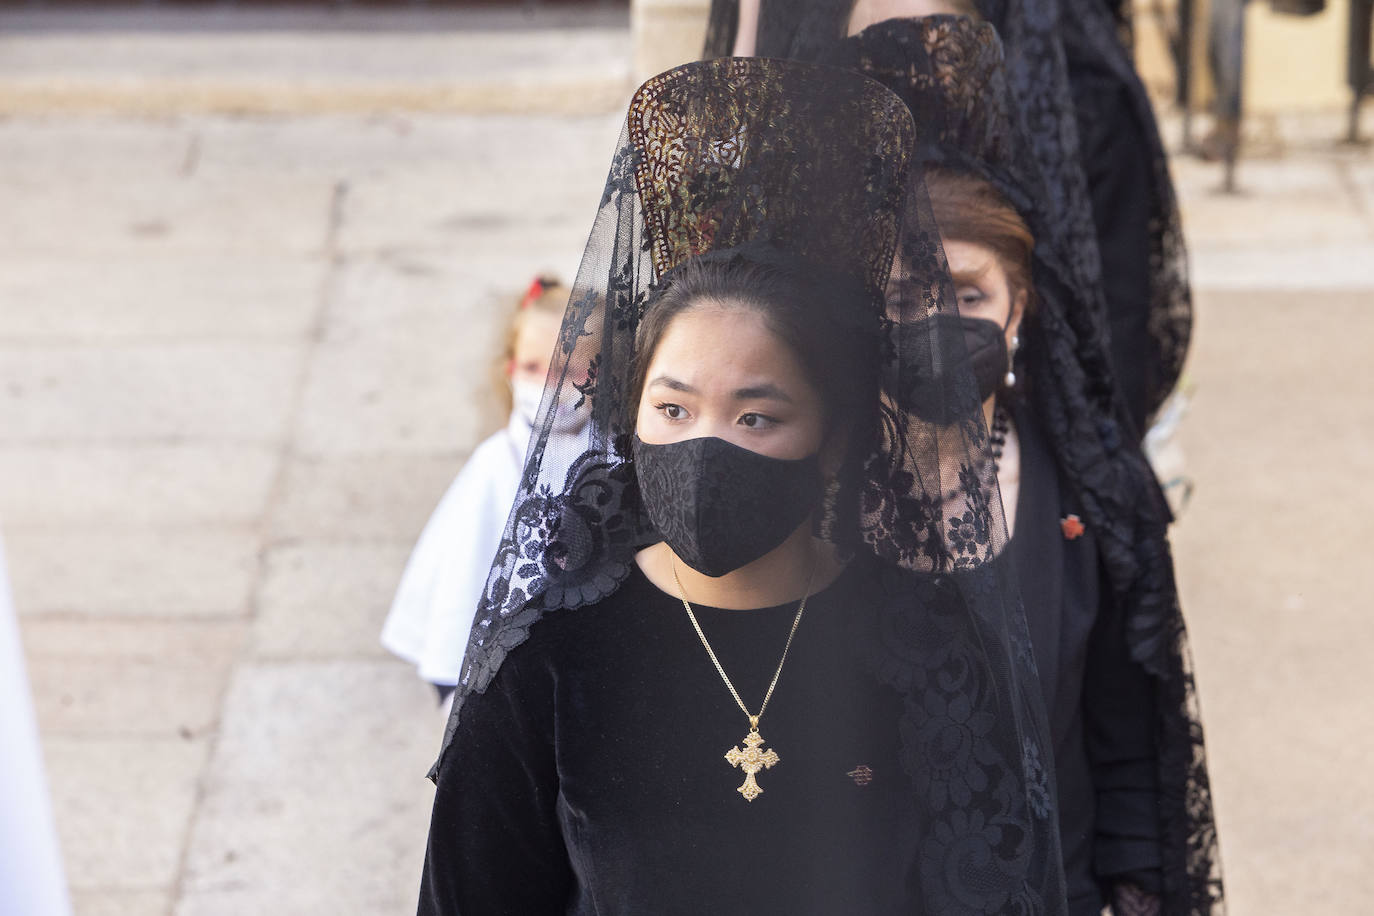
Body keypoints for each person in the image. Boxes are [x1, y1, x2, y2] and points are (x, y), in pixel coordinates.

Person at [418, 57, 1068, 915]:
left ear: (834, 435)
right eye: (674, 407)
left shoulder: (931, 649)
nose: (705, 446)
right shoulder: (545, 664)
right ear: (630, 416)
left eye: (757, 416)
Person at [821, 16, 1223, 914]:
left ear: (1018, 308)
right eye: (900, 297)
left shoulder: (1097, 500)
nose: (932, 320)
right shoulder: (807, 495)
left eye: (965, 293)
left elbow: (1127, 757)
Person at [703, 0, 1193, 438]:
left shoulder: (1080, 85)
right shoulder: (793, 40)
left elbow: (1117, 317)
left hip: (1018, 428)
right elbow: (744, 228)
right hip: (829, 418)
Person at [381, 276, 581, 705]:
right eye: (533, 368)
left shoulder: (620, 456)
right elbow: (464, 574)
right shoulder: (497, 463)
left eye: (571, 370)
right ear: (510, 369)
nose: (549, 387)